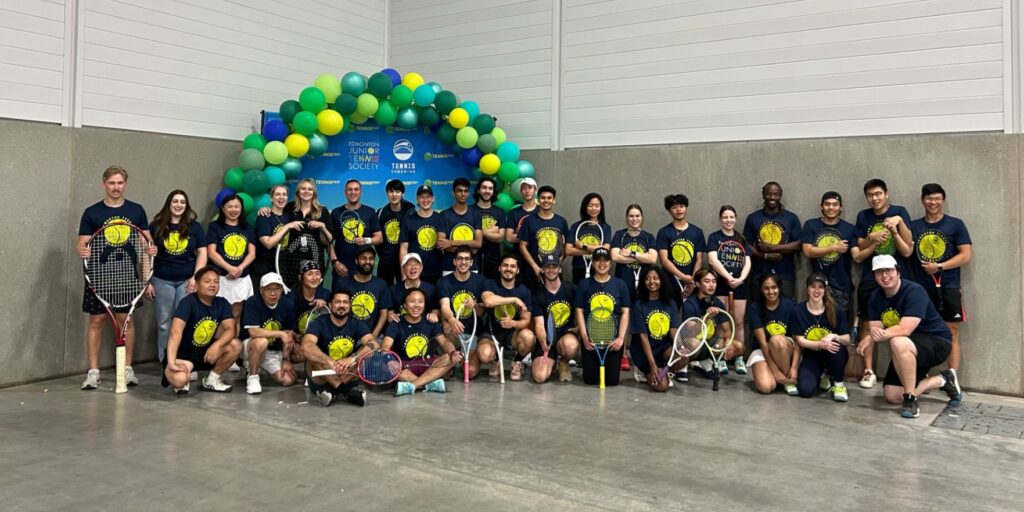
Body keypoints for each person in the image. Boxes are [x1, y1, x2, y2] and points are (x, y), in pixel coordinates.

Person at [77, 165, 154, 390]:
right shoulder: (92, 212)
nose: (116, 187)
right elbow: (82, 242)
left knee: (125, 322)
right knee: (96, 321)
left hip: (127, 277)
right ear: (104, 185)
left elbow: (146, 241)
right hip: (99, 277)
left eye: (120, 183)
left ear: (125, 185)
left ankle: (127, 369)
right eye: (112, 183)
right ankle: (93, 372)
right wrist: (81, 249)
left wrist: (149, 253)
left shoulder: (136, 210)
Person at [858, 255, 962, 418]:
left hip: (936, 341)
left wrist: (871, 337)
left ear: (898, 272)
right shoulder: (875, 297)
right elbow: (875, 329)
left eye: (888, 271)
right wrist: (873, 335)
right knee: (892, 396)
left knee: (897, 340)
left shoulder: (914, 291)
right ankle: (942, 380)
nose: (885, 276)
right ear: (874, 276)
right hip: (908, 349)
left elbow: (905, 329)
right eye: (879, 272)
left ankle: (910, 399)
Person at [852, 179, 913, 389]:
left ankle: (906, 368)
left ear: (886, 194)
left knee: (904, 322)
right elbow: (860, 244)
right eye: (870, 195)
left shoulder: (900, 211)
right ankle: (868, 370)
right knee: (868, 322)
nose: (874, 198)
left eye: (878, 194)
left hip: (898, 278)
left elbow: (908, 248)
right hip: (871, 277)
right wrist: (872, 237)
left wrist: (897, 225)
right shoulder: (863, 216)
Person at [910, 183, 972, 372]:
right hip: (921, 288)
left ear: (943, 200)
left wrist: (939, 266)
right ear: (922, 200)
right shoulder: (913, 226)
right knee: (922, 332)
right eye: (929, 198)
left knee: (951, 331)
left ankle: (952, 378)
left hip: (949, 286)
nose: (933, 202)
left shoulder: (956, 224)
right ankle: (923, 375)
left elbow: (966, 255)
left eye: (937, 198)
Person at [146, 189, 207, 363]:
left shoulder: (195, 227)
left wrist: (196, 277)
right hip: (161, 279)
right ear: (169, 204)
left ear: (186, 206)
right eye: (175, 201)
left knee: (185, 323)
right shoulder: (156, 225)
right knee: (164, 323)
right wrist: (147, 281)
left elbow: (202, 252)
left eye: (182, 202)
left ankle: (184, 360)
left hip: (187, 281)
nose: (178, 205)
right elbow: (147, 254)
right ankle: (166, 361)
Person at [162, 266, 243, 394]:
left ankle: (212, 380)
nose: (212, 285)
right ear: (197, 285)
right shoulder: (187, 302)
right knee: (180, 380)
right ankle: (181, 374)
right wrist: (171, 362)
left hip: (206, 352)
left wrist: (217, 345)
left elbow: (230, 330)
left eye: (216, 281)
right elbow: (175, 332)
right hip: (184, 355)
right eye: (207, 281)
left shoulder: (222, 303)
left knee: (236, 345)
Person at [301, 288, 376, 407]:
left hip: (346, 372)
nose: (342, 305)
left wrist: (353, 358)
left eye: (345, 302)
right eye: (338, 302)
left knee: (364, 355)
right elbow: (306, 346)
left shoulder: (356, 324)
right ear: (330, 305)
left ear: (350, 305)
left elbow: (373, 344)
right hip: (322, 375)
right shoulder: (319, 323)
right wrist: (329, 361)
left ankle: (332, 390)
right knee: (313, 358)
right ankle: (345, 391)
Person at [383, 288, 462, 396]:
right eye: (412, 301)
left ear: (424, 305)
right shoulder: (396, 323)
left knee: (450, 357)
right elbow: (385, 346)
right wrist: (389, 361)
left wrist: (453, 352)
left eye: (420, 301)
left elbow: (444, 342)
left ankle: (413, 385)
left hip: (428, 365)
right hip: (405, 367)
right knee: (387, 366)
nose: (416, 305)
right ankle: (428, 384)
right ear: (405, 305)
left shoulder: (431, 322)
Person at [800, 192, 859, 338]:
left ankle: (839, 358)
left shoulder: (849, 229)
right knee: (817, 325)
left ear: (841, 208)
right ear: (821, 206)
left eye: (835, 204)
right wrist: (833, 248)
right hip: (817, 284)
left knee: (840, 328)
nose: (831, 207)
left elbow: (857, 255)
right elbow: (807, 251)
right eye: (827, 204)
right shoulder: (811, 225)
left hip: (842, 285)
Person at [574, 248, 631, 387]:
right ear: (593, 263)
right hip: (591, 341)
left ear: (610, 263)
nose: (602, 263)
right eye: (598, 260)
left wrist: (620, 339)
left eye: (605, 260)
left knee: (611, 382)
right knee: (590, 380)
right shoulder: (584, 284)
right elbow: (579, 312)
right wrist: (585, 337)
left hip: (613, 343)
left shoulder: (620, 285)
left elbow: (625, 313)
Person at [791, 274, 851, 401]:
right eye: (813, 287)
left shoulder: (836, 310)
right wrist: (820, 344)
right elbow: (800, 341)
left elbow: (847, 339)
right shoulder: (798, 310)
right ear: (807, 289)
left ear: (825, 290)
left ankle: (838, 384)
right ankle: (822, 375)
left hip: (833, 354)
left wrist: (833, 336)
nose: (817, 291)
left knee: (837, 346)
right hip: (812, 356)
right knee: (805, 390)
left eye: (820, 287)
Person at [706, 205, 752, 373]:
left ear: (736, 218)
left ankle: (738, 357)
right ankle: (721, 356)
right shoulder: (714, 237)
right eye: (725, 217)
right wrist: (728, 277)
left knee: (738, 322)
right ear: (720, 219)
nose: (728, 220)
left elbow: (747, 262)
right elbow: (713, 260)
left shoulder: (742, 239)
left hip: (739, 286)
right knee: (721, 322)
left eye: (731, 217)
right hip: (720, 285)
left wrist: (741, 279)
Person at [241, 272, 301, 394]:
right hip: (251, 346)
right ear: (261, 290)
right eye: (269, 289)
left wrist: (285, 359)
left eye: (277, 289)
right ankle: (253, 376)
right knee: (261, 342)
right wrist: (280, 334)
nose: (273, 293)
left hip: (274, 351)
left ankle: (260, 363)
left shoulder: (287, 304)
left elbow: (288, 333)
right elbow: (253, 331)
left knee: (288, 380)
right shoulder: (253, 302)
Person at [438, 246, 493, 378]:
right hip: (452, 333)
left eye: (467, 259)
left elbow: (481, 313)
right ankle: (450, 356)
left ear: (471, 262)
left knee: (471, 372)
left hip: (472, 334)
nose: (463, 262)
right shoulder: (444, 282)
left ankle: (465, 356)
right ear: (454, 262)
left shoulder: (481, 281)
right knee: (445, 375)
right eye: (460, 259)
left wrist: (474, 305)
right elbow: (444, 307)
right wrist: (451, 320)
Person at [206, 194, 256, 339]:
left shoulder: (247, 228)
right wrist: (229, 268)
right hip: (221, 278)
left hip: (241, 279)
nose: (233, 210)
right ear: (223, 208)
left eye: (236, 206)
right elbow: (211, 252)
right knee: (220, 316)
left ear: (241, 209)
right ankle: (217, 351)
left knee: (236, 315)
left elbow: (251, 254)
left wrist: (239, 269)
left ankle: (233, 352)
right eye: (230, 206)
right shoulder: (214, 227)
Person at [742, 182, 802, 298]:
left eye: (776, 194)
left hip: (785, 274)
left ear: (780, 196)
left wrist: (772, 248)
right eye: (769, 194)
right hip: (759, 273)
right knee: (759, 311)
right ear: (763, 195)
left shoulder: (791, 218)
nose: (772, 197)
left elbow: (799, 245)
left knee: (787, 309)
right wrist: (765, 256)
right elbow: (745, 245)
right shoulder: (753, 218)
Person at [480, 256, 536, 381]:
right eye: (505, 265)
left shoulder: (524, 291)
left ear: (518, 270)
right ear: (499, 268)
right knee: (484, 356)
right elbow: (488, 301)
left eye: (512, 266)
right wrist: (514, 299)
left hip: (512, 335)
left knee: (528, 336)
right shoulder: (490, 284)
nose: (508, 269)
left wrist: (513, 323)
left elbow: (526, 321)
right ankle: (495, 360)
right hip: (491, 333)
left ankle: (517, 361)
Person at [680, 269, 738, 381]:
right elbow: (690, 333)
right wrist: (707, 318)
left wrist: (729, 342)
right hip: (690, 342)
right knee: (695, 342)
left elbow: (727, 329)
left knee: (737, 346)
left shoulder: (717, 303)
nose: (711, 285)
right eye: (707, 281)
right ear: (697, 283)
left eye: (714, 281)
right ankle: (682, 367)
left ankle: (707, 361)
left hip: (708, 342)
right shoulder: (690, 304)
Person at [629, 267, 680, 390]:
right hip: (643, 351)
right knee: (662, 386)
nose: (652, 282)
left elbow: (673, 330)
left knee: (683, 357)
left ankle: (664, 370)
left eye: (656, 278)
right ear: (643, 282)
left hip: (663, 349)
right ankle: (643, 370)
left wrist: (680, 346)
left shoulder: (670, 303)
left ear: (662, 280)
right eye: (647, 279)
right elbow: (643, 337)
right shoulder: (638, 305)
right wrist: (652, 365)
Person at [747, 274, 800, 395]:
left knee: (777, 340)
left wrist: (794, 367)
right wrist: (775, 370)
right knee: (766, 387)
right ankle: (779, 376)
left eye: (774, 287)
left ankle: (788, 381)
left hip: (785, 348)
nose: (771, 291)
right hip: (763, 350)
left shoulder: (790, 306)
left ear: (779, 288)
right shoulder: (755, 308)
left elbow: (797, 341)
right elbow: (763, 344)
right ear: (761, 289)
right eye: (766, 288)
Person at [531, 254, 580, 383]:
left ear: (560, 269)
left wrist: (579, 328)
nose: (551, 270)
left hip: (565, 337)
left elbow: (581, 312)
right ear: (542, 270)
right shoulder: (538, 294)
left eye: (554, 266)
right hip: (546, 341)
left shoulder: (572, 289)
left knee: (571, 345)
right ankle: (550, 363)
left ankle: (563, 362)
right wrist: (542, 341)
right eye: (548, 267)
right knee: (539, 377)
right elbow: (539, 324)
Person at [517, 185, 570, 291]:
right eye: (543, 198)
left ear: (554, 200)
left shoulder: (561, 221)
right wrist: (534, 266)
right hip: (533, 272)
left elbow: (567, 246)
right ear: (538, 200)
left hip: (554, 271)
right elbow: (522, 246)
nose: (546, 200)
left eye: (549, 198)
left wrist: (558, 263)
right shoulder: (529, 221)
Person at [329, 179, 382, 284]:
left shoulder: (370, 212)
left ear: (361, 192)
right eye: (350, 190)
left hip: (363, 269)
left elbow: (379, 238)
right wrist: (335, 262)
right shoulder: (335, 212)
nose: (353, 192)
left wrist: (366, 240)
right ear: (345, 192)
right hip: (342, 269)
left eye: (356, 189)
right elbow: (329, 242)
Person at [656, 194, 705, 303]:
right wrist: (682, 277)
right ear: (669, 210)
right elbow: (664, 260)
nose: (679, 210)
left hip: (692, 283)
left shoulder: (697, 232)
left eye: (681, 206)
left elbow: (699, 260)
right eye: (674, 207)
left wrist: (692, 282)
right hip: (670, 283)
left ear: (686, 208)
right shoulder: (663, 232)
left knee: (692, 318)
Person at [335, 246, 392, 339]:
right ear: (356, 261)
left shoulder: (381, 284)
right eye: (363, 258)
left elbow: (384, 313)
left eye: (371, 259)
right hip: (347, 336)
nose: (368, 262)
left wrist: (373, 336)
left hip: (374, 335)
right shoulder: (344, 283)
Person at [253, 184, 303, 289]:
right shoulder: (264, 217)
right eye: (277, 194)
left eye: (284, 194)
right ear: (271, 198)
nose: (281, 197)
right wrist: (287, 227)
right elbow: (268, 244)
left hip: (281, 266)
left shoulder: (287, 216)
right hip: (264, 267)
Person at [399, 184, 445, 283]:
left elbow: (443, 245)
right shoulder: (409, 220)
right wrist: (403, 274)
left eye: (428, 197)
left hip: (436, 271)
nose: (425, 200)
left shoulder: (440, 218)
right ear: (417, 199)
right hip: (414, 272)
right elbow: (404, 248)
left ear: (433, 199)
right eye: (422, 197)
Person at [610, 204, 658, 300]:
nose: (634, 219)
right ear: (627, 218)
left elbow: (653, 259)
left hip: (644, 285)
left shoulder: (649, 237)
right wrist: (643, 257)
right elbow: (615, 257)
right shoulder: (619, 235)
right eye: (631, 216)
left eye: (637, 216)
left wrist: (631, 253)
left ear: (642, 217)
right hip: (623, 283)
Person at [565, 193, 613, 285]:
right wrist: (594, 249)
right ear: (585, 207)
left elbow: (605, 250)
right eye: (590, 205)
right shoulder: (576, 226)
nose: (594, 208)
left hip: (599, 269)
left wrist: (583, 246)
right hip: (579, 269)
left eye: (597, 206)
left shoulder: (605, 228)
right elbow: (568, 250)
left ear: (601, 208)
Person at [438, 177, 483, 274]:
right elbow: (442, 245)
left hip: (471, 268)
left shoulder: (476, 214)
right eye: (459, 191)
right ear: (453, 193)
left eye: (466, 191)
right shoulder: (444, 215)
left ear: (469, 193)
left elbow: (478, 243)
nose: (463, 194)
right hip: (449, 267)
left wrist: (451, 242)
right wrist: (470, 248)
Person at [376, 179, 415, 284]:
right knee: (384, 292)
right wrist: (384, 255)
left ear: (403, 193)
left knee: (404, 292)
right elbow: (378, 237)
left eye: (397, 191)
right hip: (386, 261)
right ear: (387, 193)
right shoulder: (381, 213)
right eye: (391, 191)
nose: (394, 195)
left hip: (405, 260)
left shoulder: (410, 210)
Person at [389, 253, 441, 324]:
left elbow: (435, 311)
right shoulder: (393, 289)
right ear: (403, 269)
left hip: (424, 329)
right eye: (409, 264)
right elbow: (389, 313)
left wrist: (433, 315)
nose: (413, 267)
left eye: (416, 264)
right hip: (402, 328)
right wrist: (391, 316)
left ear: (421, 267)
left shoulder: (431, 289)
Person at [471, 176, 506, 280]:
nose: (487, 191)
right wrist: (488, 232)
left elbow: (500, 237)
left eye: (490, 188)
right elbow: (469, 235)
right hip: (473, 258)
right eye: (484, 188)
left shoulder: (500, 212)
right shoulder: (469, 211)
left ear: (493, 191)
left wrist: (479, 233)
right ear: (478, 190)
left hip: (493, 259)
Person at [291, 260, 330, 337]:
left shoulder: (325, 294)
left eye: (317, 274)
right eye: (310, 274)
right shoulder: (292, 298)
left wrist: (325, 304)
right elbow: (288, 329)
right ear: (300, 277)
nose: (315, 278)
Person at [505, 177, 538, 247]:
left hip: (537, 255)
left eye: (530, 187)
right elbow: (509, 238)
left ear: (535, 190)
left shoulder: (541, 211)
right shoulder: (513, 213)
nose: (527, 191)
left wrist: (520, 234)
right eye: (524, 188)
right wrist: (535, 235)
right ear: (520, 191)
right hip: (518, 256)